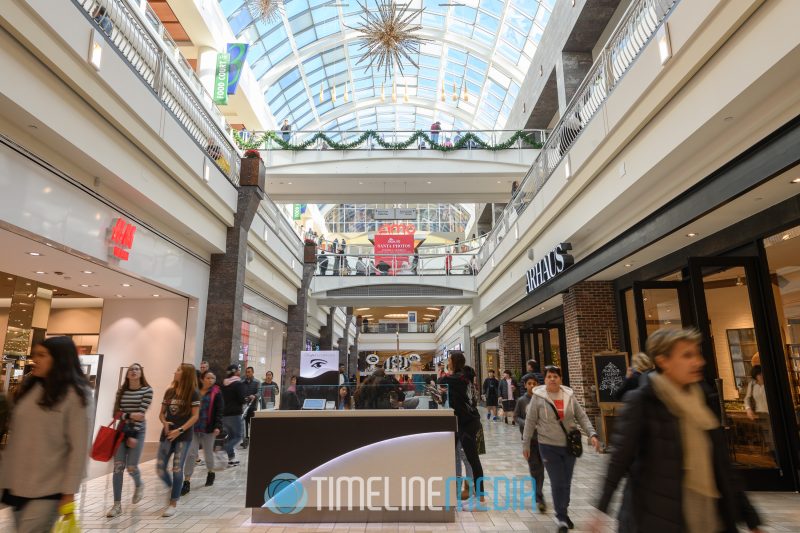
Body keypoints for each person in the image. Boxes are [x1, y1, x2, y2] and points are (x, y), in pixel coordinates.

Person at [592, 328, 763, 533]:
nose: (698, 362)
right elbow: (619, 459)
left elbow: (722, 466)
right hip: (657, 519)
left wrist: (750, 518)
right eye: (687, 355)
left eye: (697, 354)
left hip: (711, 516)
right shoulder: (642, 401)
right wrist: (600, 510)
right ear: (663, 361)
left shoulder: (703, 399)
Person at [0, 337, 92, 532]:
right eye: (35, 355)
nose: (35, 360)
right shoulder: (30, 387)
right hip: (17, 484)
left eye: (42, 355)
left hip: (49, 488)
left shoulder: (76, 395)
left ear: (60, 359)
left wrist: (69, 492)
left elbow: (79, 448)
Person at [522, 365, 601, 532]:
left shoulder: (568, 395)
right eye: (549, 376)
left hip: (569, 447)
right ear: (545, 379)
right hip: (548, 446)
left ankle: (563, 511)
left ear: (560, 379)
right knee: (558, 482)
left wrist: (592, 434)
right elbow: (529, 422)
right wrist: (526, 444)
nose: (552, 379)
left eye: (555, 376)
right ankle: (561, 518)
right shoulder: (538, 397)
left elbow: (581, 416)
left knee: (566, 482)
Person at [438, 351, 485, 509]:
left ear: (454, 361)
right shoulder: (465, 376)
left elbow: (441, 380)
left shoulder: (457, 378)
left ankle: (479, 496)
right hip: (468, 420)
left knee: (472, 459)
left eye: (449, 359)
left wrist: (442, 374)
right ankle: (469, 492)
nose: (447, 361)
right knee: (463, 456)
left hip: (468, 423)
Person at [106, 363, 153, 518]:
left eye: (137, 369)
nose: (133, 371)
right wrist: (129, 415)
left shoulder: (147, 390)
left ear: (141, 374)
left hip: (137, 431)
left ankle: (139, 484)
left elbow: (140, 415)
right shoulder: (122, 391)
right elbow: (116, 413)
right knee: (118, 467)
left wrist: (133, 433)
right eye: (131, 369)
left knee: (132, 467)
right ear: (127, 374)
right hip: (122, 430)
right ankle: (117, 505)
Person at [157, 363, 200, 517]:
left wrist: (180, 430)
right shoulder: (169, 392)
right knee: (160, 468)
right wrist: (164, 422)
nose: (175, 371)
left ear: (186, 374)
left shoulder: (193, 393)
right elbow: (161, 413)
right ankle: (172, 488)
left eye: (178, 370)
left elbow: (195, 416)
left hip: (183, 436)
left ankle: (173, 503)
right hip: (167, 435)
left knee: (176, 469)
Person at [184, 371, 224, 493]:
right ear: (202, 379)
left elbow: (219, 411)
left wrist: (217, 426)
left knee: (208, 453)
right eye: (208, 378)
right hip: (194, 428)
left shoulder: (217, 392)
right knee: (191, 454)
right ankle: (187, 481)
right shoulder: (194, 392)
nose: (210, 380)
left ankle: (211, 473)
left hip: (209, 429)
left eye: (213, 378)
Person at [514, 373, 546, 513]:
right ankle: (539, 497)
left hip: (544, 439)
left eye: (534, 383)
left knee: (542, 467)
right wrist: (526, 423)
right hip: (529, 440)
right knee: (535, 467)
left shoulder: (543, 400)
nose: (532, 386)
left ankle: (539, 493)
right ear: (525, 385)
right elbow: (516, 417)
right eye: (529, 383)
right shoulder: (522, 401)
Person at [745, 365, 774, 458]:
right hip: (760, 414)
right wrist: (748, 409)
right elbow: (747, 398)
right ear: (755, 376)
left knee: (772, 435)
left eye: (761, 374)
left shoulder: (770, 383)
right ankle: (772, 453)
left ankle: (775, 453)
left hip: (771, 414)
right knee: (766, 435)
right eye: (758, 374)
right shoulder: (752, 385)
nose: (761, 376)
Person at [220, 364, 247, 466]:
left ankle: (231, 459)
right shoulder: (238, 384)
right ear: (235, 372)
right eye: (238, 370)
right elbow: (241, 399)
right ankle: (224, 449)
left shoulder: (223, 384)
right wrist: (246, 399)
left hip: (225, 415)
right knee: (238, 437)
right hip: (235, 414)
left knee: (231, 437)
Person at [241, 366, 260, 449]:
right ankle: (245, 441)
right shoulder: (242, 382)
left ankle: (254, 440)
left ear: (253, 372)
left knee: (251, 424)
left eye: (249, 372)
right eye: (246, 372)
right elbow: (240, 393)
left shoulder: (257, 382)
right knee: (244, 425)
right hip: (244, 407)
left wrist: (254, 396)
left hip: (252, 407)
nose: (247, 373)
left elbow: (259, 392)